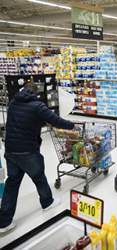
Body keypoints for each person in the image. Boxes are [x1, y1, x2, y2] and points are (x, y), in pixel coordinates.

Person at [0, 82, 74, 233]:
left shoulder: (14, 102)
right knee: (38, 176)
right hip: (27, 150)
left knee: (12, 182)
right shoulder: (37, 106)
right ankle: (47, 202)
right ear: (35, 94)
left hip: (11, 150)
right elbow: (56, 121)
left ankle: (4, 222)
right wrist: (72, 126)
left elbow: (22, 121)